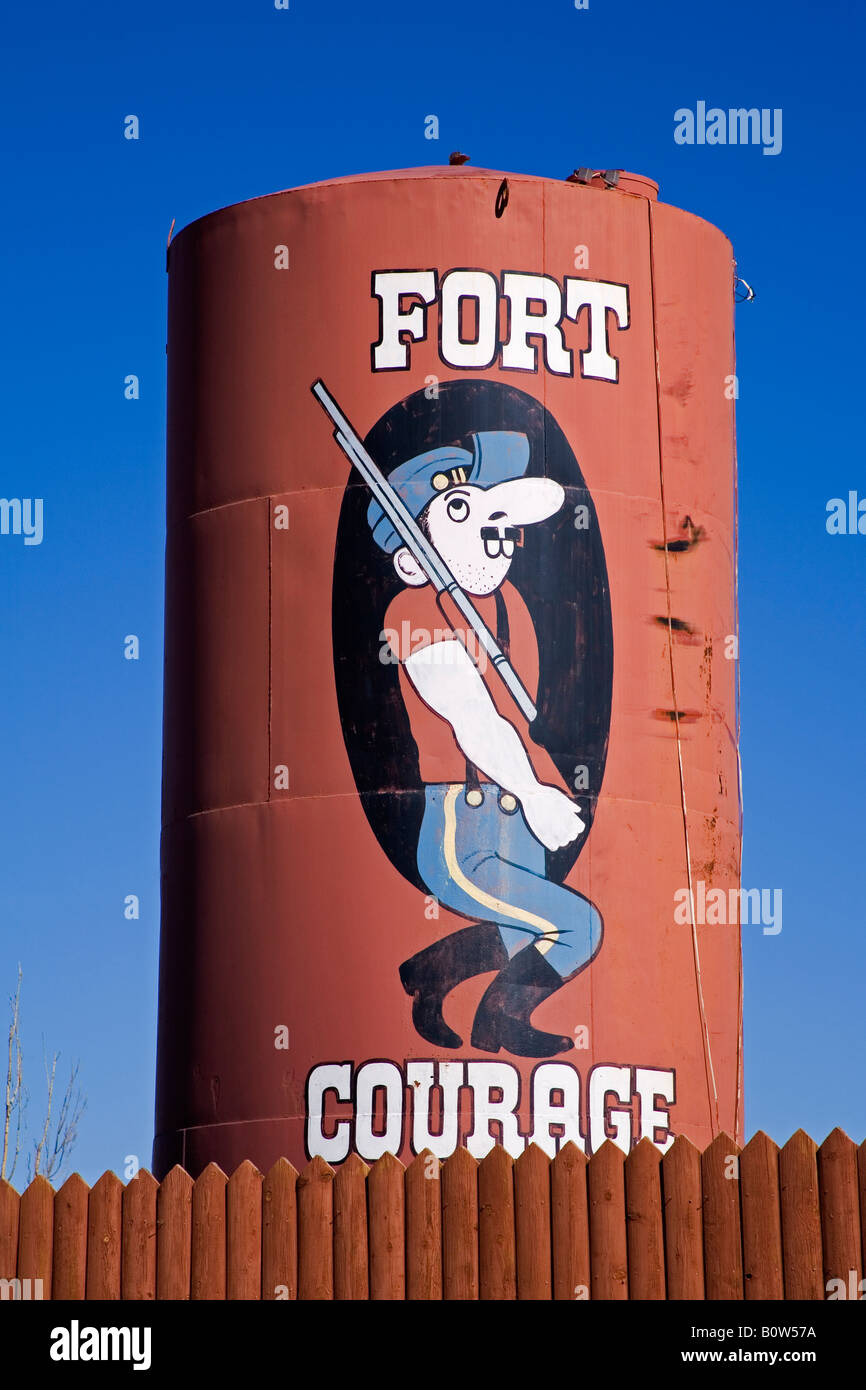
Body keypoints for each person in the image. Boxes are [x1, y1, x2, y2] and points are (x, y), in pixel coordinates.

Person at [371, 429, 603, 1059]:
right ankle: (501, 1021)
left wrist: (538, 787)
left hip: (516, 814)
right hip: (463, 824)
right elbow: (471, 718)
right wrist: (534, 794)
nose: (495, 531)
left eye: (498, 513)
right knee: (577, 926)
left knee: (517, 928)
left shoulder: (509, 606)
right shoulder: (411, 610)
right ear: (413, 557)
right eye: (465, 513)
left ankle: (430, 974)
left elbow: (516, 716)